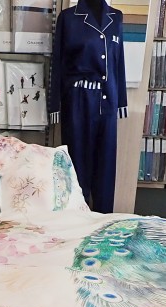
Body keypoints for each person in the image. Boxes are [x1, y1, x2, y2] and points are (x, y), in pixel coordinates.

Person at [48, 0, 127, 213]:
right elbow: (57, 63)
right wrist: (54, 105)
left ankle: (103, 219)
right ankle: (76, 217)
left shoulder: (116, 17)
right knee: (77, 164)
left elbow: (118, 62)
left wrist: (121, 101)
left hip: (108, 101)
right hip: (78, 101)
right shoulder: (68, 18)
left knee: (106, 166)